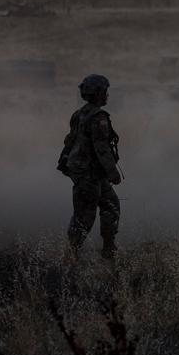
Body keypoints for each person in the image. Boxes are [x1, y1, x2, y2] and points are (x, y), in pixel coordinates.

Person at [58, 74, 122, 260]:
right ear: (97, 94)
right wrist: (112, 173)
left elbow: (71, 141)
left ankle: (109, 250)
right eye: (105, 92)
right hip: (88, 174)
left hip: (91, 173)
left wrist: (64, 162)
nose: (107, 96)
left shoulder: (79, 114)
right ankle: (71, 256)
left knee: (111, 206)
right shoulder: (98, 117)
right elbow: (101, 148)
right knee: (84, 216)